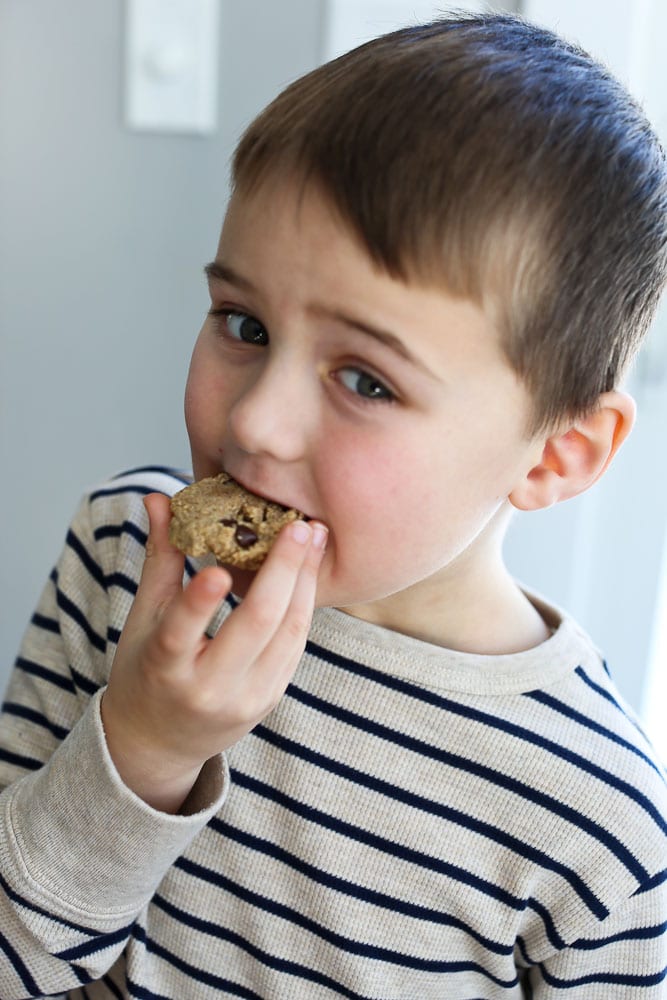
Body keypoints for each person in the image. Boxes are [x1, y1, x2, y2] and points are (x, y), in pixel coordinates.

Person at [1, 11, 666, 999]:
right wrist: (142, 746)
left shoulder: (596, 824)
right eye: (243, 323)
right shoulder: (122, 560)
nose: (258, 423)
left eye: (365, 380)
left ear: (556, 455)